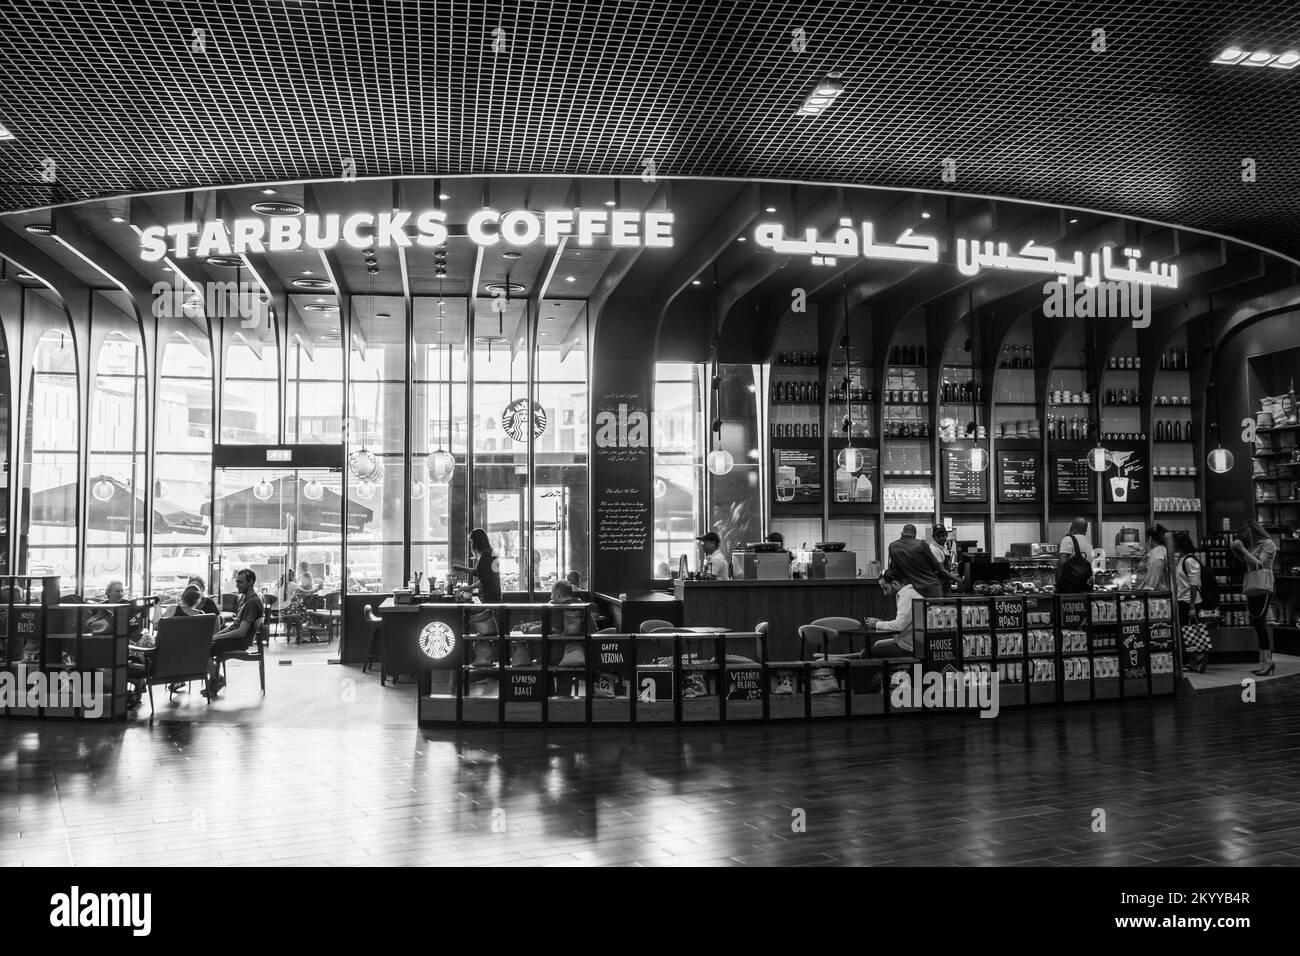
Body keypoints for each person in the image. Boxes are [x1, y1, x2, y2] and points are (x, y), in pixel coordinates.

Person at [203, 568, 263, 698]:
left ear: (250, 582)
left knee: (202, 649)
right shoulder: (245, 599)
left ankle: (216, 678)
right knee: (203, 644)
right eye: (237, 581)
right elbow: (234, 626)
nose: (236, 585)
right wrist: (217, 635)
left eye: (240, 582)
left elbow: (241, 632)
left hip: (240, 642)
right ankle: (215, 679)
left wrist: (217, 637)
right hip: (235, 639)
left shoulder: (253, 602)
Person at [1232, 520, 1277, 676]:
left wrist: (1242, 549)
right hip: (1254, 586)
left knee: (1260, 624)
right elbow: (1246, 563)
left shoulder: (1268, 544)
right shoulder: (1252, 546)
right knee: (1258, 625)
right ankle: (1263, 661)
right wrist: (1236, 551)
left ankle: (1268, 662)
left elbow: (1259, 565)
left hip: (1264, 587)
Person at [863, 568, 923, 658]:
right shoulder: (907, 594)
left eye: (885, 588)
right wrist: (881, 623)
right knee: (875, 647)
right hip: (910, 644)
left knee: (866, 654)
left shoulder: (906, 596)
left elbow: (899, 626)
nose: (885, 593)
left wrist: (877, 624)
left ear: (895, 583)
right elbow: (903, 627)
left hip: (908, 648)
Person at [886, 524, 958, 598]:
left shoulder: (892, 546)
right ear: (915, 535)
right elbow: (936, 565)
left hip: (909, 589)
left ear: (902, 533)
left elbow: (894, 568)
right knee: (935, 609)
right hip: (930, 588)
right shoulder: (921, 544)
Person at [1172, 532, 1207, 673]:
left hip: (1189, 601)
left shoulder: (1189, 560)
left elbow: (1194, 584)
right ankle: (1193, 661)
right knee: (1188, 632)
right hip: (1182, 600)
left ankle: (1201, 657)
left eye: (1174, 543)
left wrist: (1192, 606)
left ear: (1179, 545)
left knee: (1192, 631)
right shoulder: (1181, 559)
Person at [453, 528, 502, 603]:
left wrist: (469, 587)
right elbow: (479, 572)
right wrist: (461, 569)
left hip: (489, 596)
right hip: (492, 595)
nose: (471, 545)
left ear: (477, 542)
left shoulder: (486, 556)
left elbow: (485, 579)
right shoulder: (489, 554)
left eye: (472, 542)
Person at [1056, 516, 1094, 592]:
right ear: (1085, 530)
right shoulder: (1088, 542)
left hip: (1071, 586)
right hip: (1085, 585)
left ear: (1072, 527)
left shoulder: (1068, 539)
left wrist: (1058, 583)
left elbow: (1062, 562)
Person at [929, 524, 958, 593]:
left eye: (943, 535)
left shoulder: (943, 548)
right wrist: (957, 579)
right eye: (938, 536)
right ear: (933, 537)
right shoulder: (934, 549)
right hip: (938, 584)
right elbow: (941, 569)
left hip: (945, 583)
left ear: (946, 535)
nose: (942, 538)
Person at [1139, 526, 1169, 591]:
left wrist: (1148, 588)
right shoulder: (1162, 550)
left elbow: (1155, 574)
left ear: (1150, 538)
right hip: (1161, 589)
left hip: (1158, 592)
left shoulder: (1157, 552)